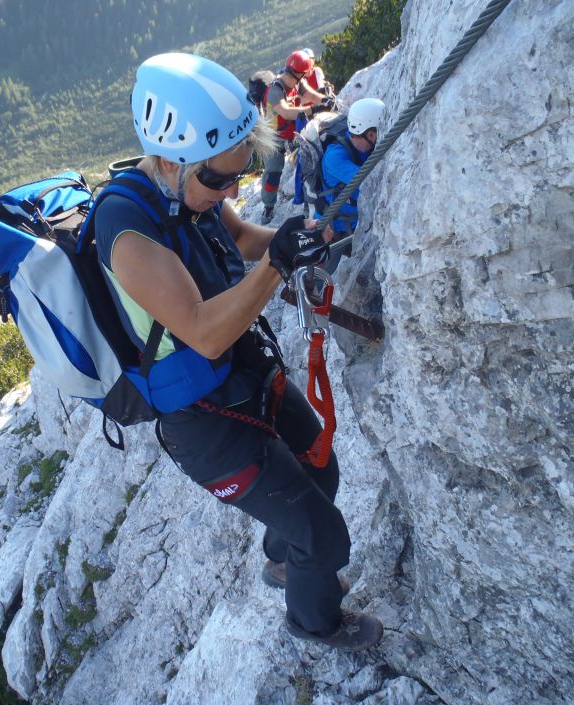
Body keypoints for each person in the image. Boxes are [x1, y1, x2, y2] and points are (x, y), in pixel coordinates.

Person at [96, 52, 383, 650]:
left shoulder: (190, 189)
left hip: (246, 374)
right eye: (218, 179)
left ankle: (285, 558)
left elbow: (245, 238)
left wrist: (295, 238)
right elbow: (202, 331)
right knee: (326, 538)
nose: (230, 190)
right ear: (170, 161)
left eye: (239, 175)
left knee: (321, 468)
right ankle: (314, 622)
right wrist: (278, 267)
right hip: (204, 424)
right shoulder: (126, 231)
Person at [259, 50, 331, 224]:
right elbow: (286, 112)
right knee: (273, 173)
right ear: (299, 73)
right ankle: (268, 207)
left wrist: (325, 100)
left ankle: (309, 198)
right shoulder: (275, 90)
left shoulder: (298, 82)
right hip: (274, 138)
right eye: (305, 73)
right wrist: (313, 109)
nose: (306, 76)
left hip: (292, 134)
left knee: (311, 161)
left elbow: (311, 95)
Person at [314, 97, 385, 271]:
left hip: (354, 221)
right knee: (318, 279)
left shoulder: (363, 147)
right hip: (335, 228)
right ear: (369, 134)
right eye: (378, 133)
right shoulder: (335, 157)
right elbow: (370, 184)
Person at [293, 48, 335, 213]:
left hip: (309, 118)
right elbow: (314, 95)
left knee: (309, 157)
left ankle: (307, 195)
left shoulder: (309, 75)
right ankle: (305, 196)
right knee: (306, 157)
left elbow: (316, 93)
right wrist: (322, 102)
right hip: (307, 119)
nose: (310, 66)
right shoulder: (303, 79)